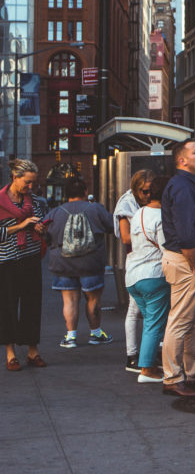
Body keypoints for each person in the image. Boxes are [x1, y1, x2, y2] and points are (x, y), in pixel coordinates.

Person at [160, 139, 195, 397]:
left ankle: (193, 372)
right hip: (185, 259)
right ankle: (172, 377)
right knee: (180, 320)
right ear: (182, 160)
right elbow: (186, 232)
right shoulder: (182, 186)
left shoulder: (184, 185)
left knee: (190, 320)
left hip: (183, 258)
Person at [42, 177, 115, 348]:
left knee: (69, 301)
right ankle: (96, 334)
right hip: (91, 262)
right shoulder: (95, 208)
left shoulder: (55, 212)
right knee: (93, 300)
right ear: (85, 192)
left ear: (66, 195)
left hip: (63, 263)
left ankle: (71, 337)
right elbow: (112, 226)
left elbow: (47, 235)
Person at [1, 159, 49, 371]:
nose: (30, 187)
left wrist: (40, 230)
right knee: (7, 306)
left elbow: (44, 226)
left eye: (33, 183)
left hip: (30, 257)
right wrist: (19, 226)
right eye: (27, 183)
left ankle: (32, 351)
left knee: (32, 304)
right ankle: (10, 353)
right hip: (6, 260)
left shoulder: (37, 202)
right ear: (15, 177)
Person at [125, 175, 171, 384]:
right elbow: (166, 249)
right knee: (154, 324)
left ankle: (150, 363)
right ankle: (147, 370)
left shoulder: (138, 214)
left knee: (152, 324)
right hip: (153, 275)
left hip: (133, 277)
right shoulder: (161, 217)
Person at [114, 169, 155, 372]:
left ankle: (143, 354)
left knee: (149, 312)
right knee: (135, 310)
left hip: (153, 261)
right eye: (143, 191)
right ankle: (133, 355)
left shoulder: (150, 203)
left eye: (150, 191)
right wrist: (148, 233)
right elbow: (125, 237)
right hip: (138, 260)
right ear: (135, 189)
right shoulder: (126, 205)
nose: (147, 195)